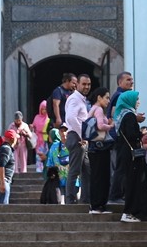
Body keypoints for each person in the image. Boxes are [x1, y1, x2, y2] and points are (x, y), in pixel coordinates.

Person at [113, 90, 147, 223]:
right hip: (131, 154)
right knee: (133, 183)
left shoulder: (123, 115)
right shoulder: (129, 116)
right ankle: (128, 212)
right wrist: (140, 133)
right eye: (136, 99)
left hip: (126, 153)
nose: (138, 102)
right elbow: (131, 135)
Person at [85, 86, 115, 214]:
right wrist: (111, 125)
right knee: (101, 176)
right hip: (99, 147)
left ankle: (97, 205)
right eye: (107, 97)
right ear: (99, 98)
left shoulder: (93, 109)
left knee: (97, 176)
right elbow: (100, 126)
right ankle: (98, 206)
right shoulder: (98, 109)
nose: (108, 101)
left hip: (94, 147)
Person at [63, 73, 92, 205]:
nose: (86, 87)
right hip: (76, 137)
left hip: (79, 137)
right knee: (74, 171)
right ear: (77, 84)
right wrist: (82, 135)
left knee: (87, 170)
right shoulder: (75, 99)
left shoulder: (80, 99)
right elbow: (70, 118)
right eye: (84, 84)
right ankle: (70, 201)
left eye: (89, 84)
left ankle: (85, 199)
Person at [108, 71, 137, 203]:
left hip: (121, 137)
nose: (131, 82)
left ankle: (122, 194)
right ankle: (116, 195)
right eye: (128, 80)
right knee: (120, 168)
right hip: (120, 138)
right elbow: (116, 117)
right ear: (120, 82)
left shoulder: (123, 96)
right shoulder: (119, 96)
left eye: (131, 80)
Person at [0, 128, 17, 204]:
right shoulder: (6, 149)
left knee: (1, 204)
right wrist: (2, 183)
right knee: (2, 206)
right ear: (13, 139)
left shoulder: (2, 148)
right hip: (1, 179)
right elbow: (1, 165)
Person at [44, 127, 69, 196]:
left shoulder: (72, 144)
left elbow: (49, 162)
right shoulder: (55, 146)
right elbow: (50, 161)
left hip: (66, 177)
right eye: (61, 131)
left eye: (65, 131)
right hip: (63, 177)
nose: (63, 133)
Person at [31, 100, 50, 171]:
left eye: (45, 109)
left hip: (47, 139)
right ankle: (39, 169)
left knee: (46, 154)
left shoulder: (49, 118)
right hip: (39, 140)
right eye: (42, 109)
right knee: (39, 155)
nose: (44, 111)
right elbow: (33, 125)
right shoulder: (37, 117)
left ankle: (46, 169)